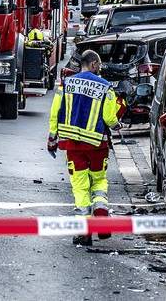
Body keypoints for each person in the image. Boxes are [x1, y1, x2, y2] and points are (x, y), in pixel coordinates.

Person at [47, 49, 119, 246]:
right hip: (97, 144)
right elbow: (109, 118)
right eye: (100, 65)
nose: (100, 68)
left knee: (79, 187)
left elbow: (55, 112)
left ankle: (83, 232)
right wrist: (116, 125)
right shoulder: (106, 87)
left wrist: (52, 138)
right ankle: (102, 215)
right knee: (99, 181)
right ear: (94, 64)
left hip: (73, 145)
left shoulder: (66, 84)